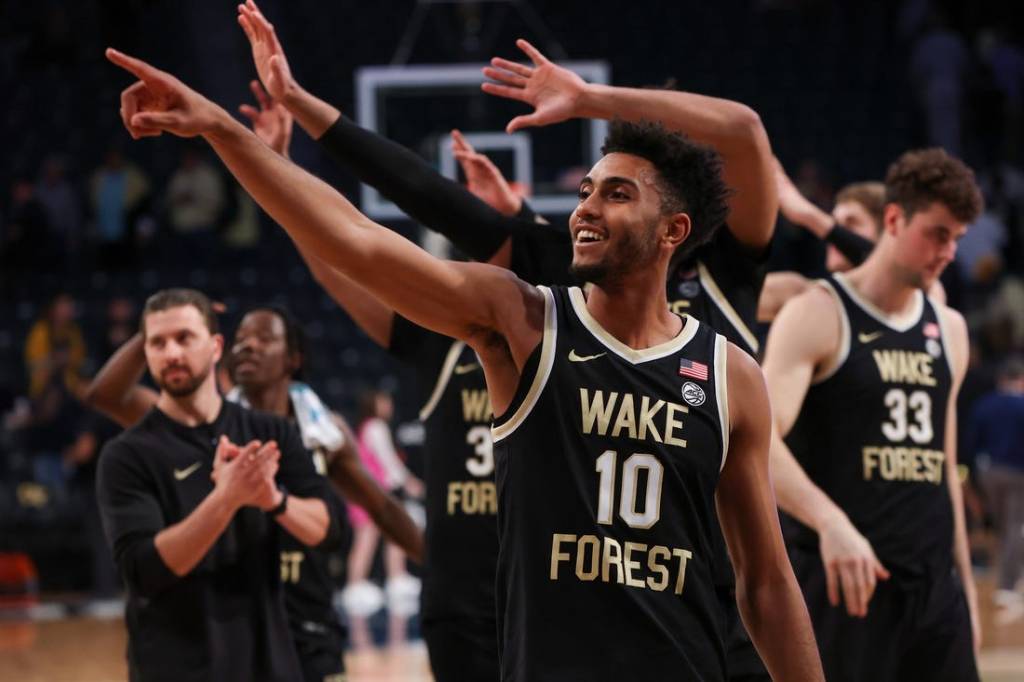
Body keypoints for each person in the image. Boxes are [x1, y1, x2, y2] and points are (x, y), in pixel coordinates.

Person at [105, 44, 824, 681]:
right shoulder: (524, 318)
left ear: (673, 231)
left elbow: (765, 581)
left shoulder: (731, 375)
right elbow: (355, 238)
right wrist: (223, 130)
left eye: (615, 193)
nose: (585, 209)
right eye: (583, 192)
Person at [86, 303, 424, 682]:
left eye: (264, 339)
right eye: (242, 339)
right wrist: (164, 325)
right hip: (241, 624)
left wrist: (441, 571)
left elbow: (381, 508)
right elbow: (106, 395)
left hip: (308, 622)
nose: (247, 346)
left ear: (293, 358)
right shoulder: (202, 427)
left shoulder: (325, 431)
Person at [761, 147, 984, 681]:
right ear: (893, 219)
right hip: (848, 588)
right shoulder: (816, 312)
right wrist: (829, 519)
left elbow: (943, 467)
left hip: (933, 590)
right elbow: (758, 443)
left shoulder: (949, 328)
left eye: (957, 238)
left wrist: (966, 593)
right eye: (937, 233)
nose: (949, 252)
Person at [95, 288, 332, 682]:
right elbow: (144, 571)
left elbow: (329, 530)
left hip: (268, 664)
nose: (171, 353)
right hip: (172, 668)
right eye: (158, 342)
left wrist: (272, 498)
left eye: (184, 338)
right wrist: (227, 499)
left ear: (217, 346)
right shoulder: (126, 455)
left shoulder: (270, 432)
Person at [970, 357, 1024, 614]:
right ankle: (1007, 585)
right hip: (1017, 472)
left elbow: (971, 444)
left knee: (1004, 527)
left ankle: (1007, 573)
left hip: (989, 473)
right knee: (1015, 528)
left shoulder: (984, 405)